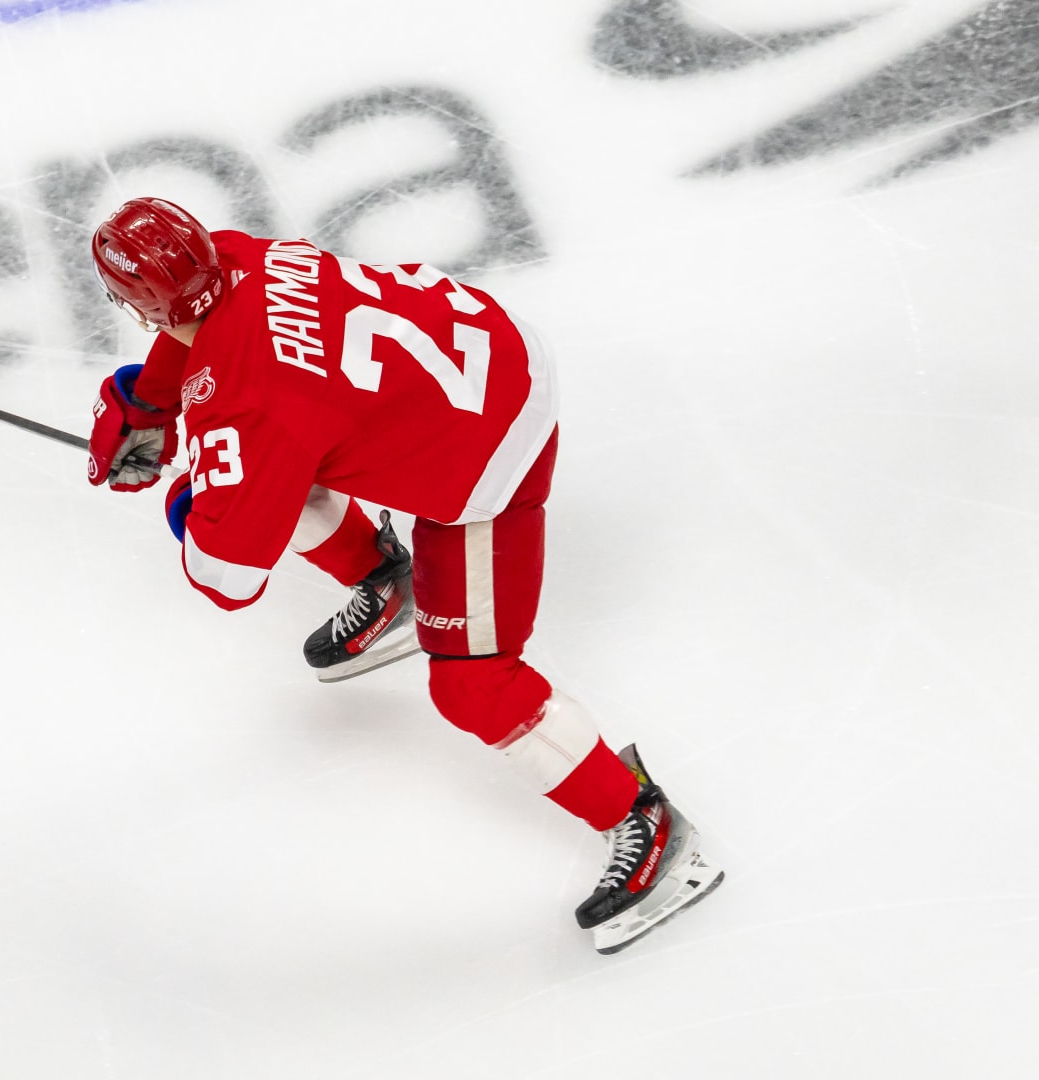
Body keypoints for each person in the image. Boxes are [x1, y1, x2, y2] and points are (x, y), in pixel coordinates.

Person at [82, 197, 723, 953]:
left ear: (130, 305)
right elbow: (204, 330)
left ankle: (648, 824)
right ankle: (396, 590)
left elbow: (226, 575)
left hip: (491, 456)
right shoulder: (232, 254)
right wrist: (150, 404)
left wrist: (194, 496)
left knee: (473, 685)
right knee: (280, 473)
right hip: (492, 353)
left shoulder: (249, 407)